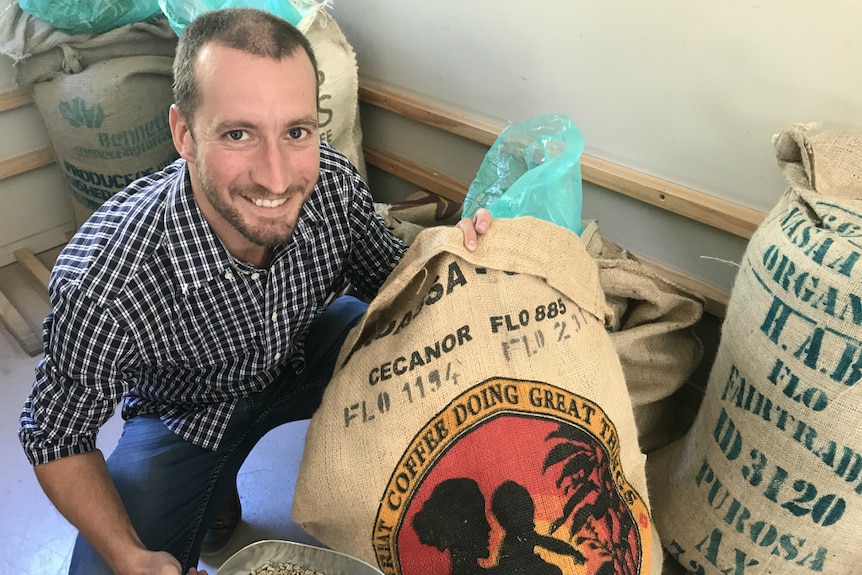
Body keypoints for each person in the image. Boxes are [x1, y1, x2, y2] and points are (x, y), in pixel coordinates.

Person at [18, 7, 491, 575]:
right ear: (183, 135)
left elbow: (395, 284)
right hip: (188, 412)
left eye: (297, 132)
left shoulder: (332, 186)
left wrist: (455, 256)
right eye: (238, 133)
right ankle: (212, 498)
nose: (277, 177)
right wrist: (129, 555)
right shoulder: (108, 280)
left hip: (305, 351)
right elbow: (55, 435)